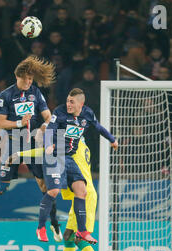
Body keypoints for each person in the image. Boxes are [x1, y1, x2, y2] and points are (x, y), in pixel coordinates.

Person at [0, 56, 63, 241]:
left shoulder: (36, 93)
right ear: (17, 76)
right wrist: (19, 122)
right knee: (1, 188)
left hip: (33, 143)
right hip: (13, 143)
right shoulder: (5, 96)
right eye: (25, 79)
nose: (28, 82)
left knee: (45, 186)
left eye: (31, 79)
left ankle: (54, 224)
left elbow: (47, 115)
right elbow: (0, 123)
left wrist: (45, 126)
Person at [39, 88, 118, 242]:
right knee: (54, 191)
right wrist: (48, 145)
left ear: (81, 104)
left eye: (72, 102)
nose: (68, 104)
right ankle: (41, 227)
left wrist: (112, 139)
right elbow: (50, 130)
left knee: (83, 191)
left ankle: (82, 231)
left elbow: (99, 127)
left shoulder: (87, 114)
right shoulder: (60, 112)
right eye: (68, 101)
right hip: (55, 155)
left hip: (68, 158)